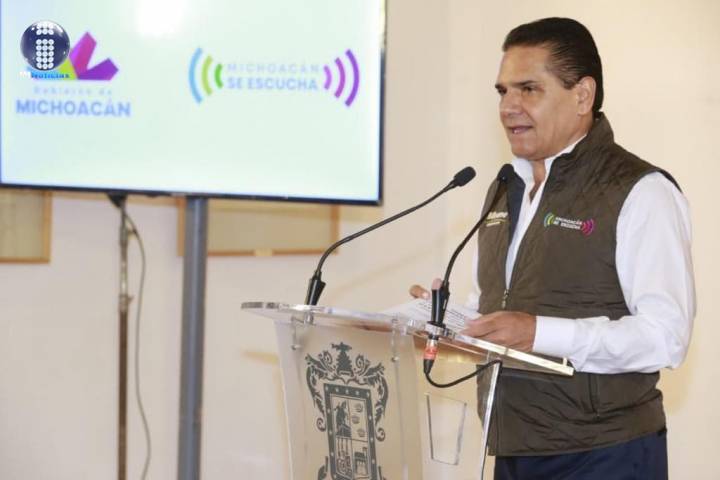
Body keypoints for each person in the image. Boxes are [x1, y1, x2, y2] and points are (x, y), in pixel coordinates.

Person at [411, 17, 694, 479]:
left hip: (604, 453)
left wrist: (538, 333)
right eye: (502, 91)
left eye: (528, 89)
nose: (509, 107)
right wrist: (445, 322)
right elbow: (501, 309)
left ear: (582, 95)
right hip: (512, 445)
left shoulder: (641, 191)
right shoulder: (504, 190)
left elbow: (666, 337)